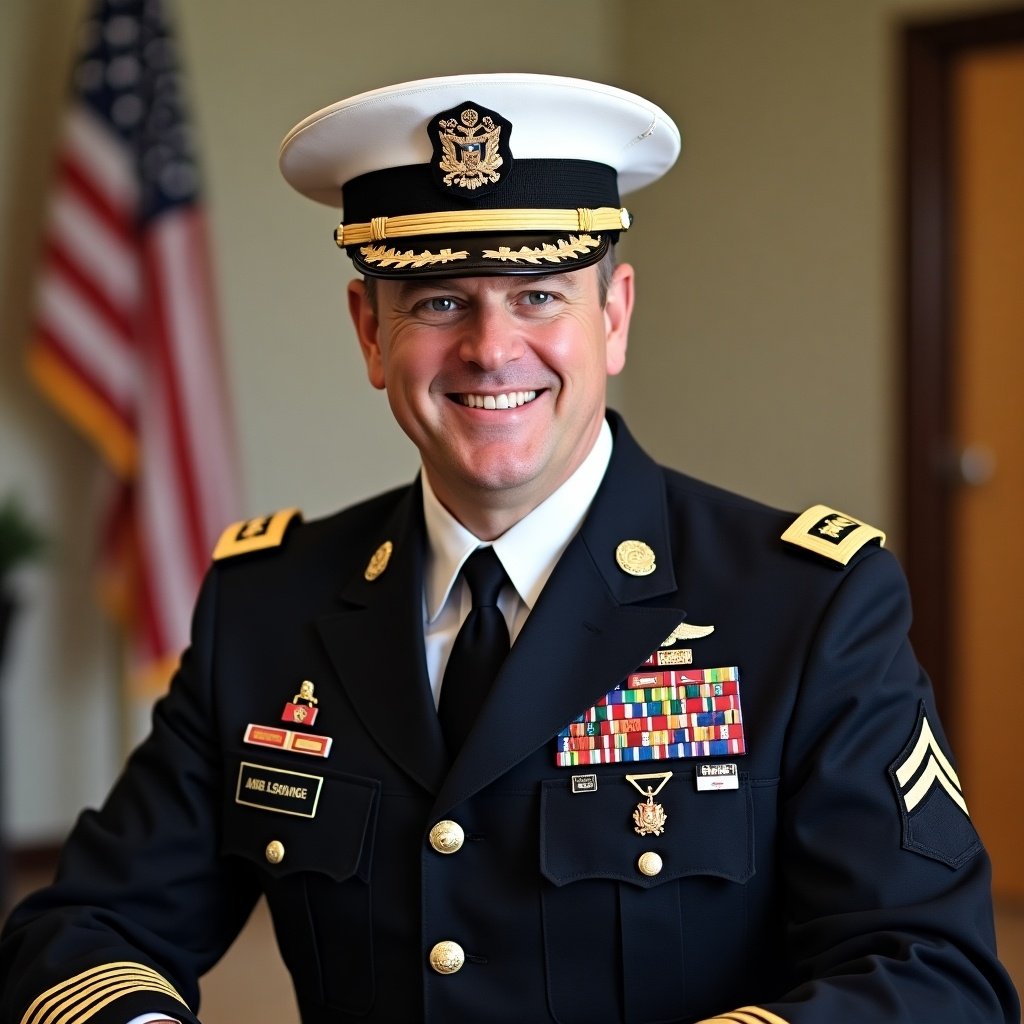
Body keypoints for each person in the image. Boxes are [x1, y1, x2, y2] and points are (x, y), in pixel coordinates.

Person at [0, 73, 1018, 1024]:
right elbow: (85, 927)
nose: (491, 349)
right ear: (368, 330)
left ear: (612, 318)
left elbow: (933, 971)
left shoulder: (803, 606)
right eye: (440, 300)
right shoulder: (269, 608)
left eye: (538, 295)